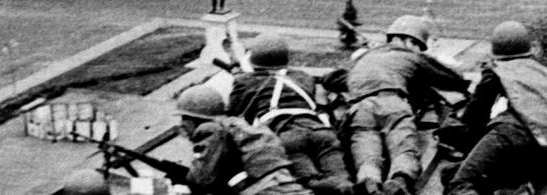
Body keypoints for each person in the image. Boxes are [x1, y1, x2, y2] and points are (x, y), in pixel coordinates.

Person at [445, 20, 547, 195]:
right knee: (456, 172)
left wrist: (451, 129)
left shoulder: (497, 69)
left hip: (514, 134)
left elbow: (474, 117)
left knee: (459, 184)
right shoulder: (545, 72)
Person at [346, 15, 469, 195]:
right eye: (418, 46)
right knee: (403, 149)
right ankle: (399, 182)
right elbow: (454, 80)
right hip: (393, 103)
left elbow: (336, 79)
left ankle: (369, 182)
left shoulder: (363, 58)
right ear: (410, 41)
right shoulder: (411, 57)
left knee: (366, 155)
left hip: (359, 109)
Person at [229, 36, 352, 195]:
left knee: (308, 184)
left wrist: (240, 74)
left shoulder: (244, 81)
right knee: (342, 180)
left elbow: (235, 113)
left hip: (286, 136)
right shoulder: (303, 77)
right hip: (322, 132)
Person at [176, 84, 311, 194]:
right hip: (286, 185)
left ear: (195, 118)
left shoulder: (210, 129)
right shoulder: (237, 125)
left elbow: (201, 179)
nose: (182, 124)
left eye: (184, 118)